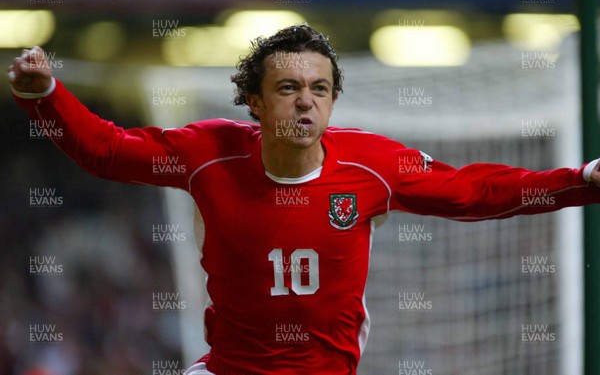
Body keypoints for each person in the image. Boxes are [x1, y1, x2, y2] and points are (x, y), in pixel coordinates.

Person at [8, 24, 600, 375]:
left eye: (319, 89)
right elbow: (107, 151)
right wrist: (47, 96)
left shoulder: (372, 165)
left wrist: (581, 181)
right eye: (287, 88)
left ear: (334, 101)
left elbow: (475, 192)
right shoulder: (207, 153)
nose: (305, 102)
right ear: (255, 103)